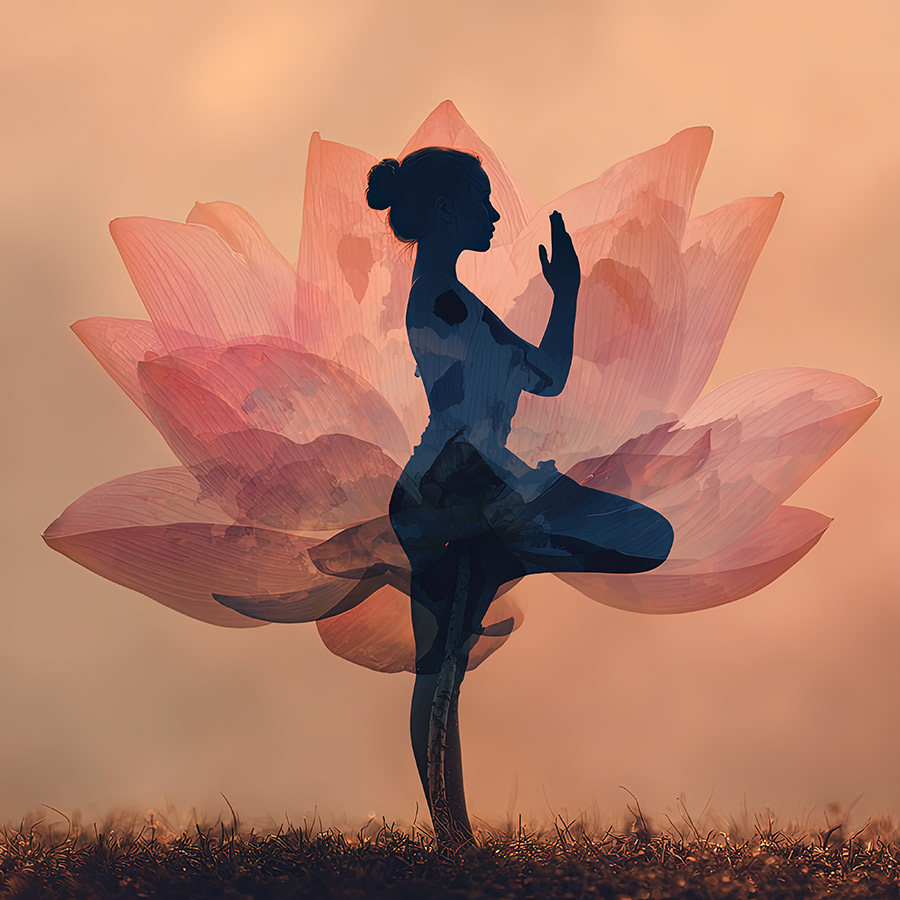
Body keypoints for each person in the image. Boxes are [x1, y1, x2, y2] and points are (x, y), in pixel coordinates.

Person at [366, 148, 675, 848]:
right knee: (441, 666)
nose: (497, 212)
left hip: (483, 486)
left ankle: (455, 839)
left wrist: (566, 293)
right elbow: (477, 401)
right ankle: (454, 841)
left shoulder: (463, 305)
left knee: (446, 662)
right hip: (451, 492)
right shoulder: (440, 301)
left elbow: (548, 376)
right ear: (446, 210)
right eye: (482, 198)